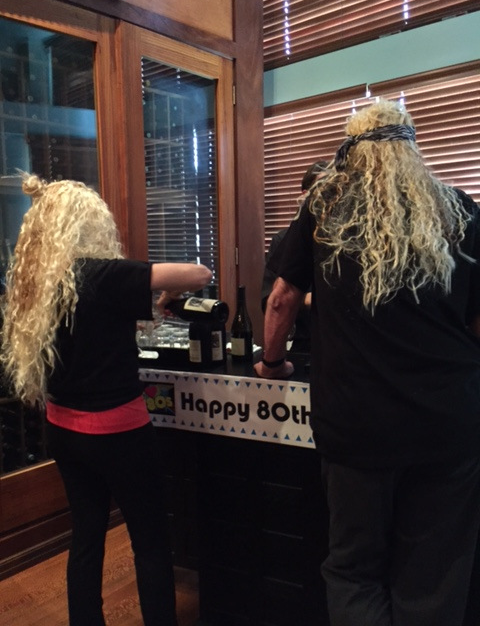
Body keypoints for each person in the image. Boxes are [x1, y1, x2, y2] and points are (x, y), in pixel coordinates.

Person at [254, 99, 480, 626]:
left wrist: (273, 363)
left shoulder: (326, 207)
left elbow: (281, 300)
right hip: (446, 425)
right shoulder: (459, 209)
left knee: (355, 568)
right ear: (413, 147)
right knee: (434, 572)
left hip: (356, 425)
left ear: (351, 149)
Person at [0, 175, 212, 626]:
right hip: (119, 432)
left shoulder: (38, 284)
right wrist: (165, 290)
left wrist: (153, 300)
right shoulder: (103, 273)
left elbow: (93, 330)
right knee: (150, 542)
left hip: (63, 429)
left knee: (86, 536)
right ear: (89, 223)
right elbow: (200, 274)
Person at [261, 160, 329, 353]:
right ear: (306, 195)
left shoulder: (351, 242)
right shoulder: (284, 240)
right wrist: (309, 299)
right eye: (323, 188)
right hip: (303, 344)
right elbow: (271, 302)